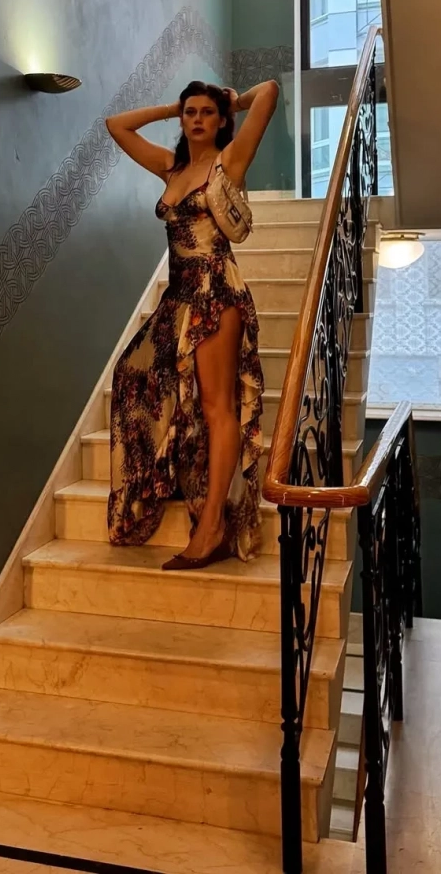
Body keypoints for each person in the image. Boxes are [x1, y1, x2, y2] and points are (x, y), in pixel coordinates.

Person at [105, 78, 279, 569]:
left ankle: (212, 526)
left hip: (215, 293)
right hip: (178, 296)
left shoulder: (230, 161)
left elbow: (269, 91)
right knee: (131, 373)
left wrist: (234, 101)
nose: (198, 119)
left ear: (222, 121)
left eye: (207, 112)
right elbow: (116, 126)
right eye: (191, 113)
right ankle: (173, 475)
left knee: (217, 407)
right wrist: (172, 107)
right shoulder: (172, 166)